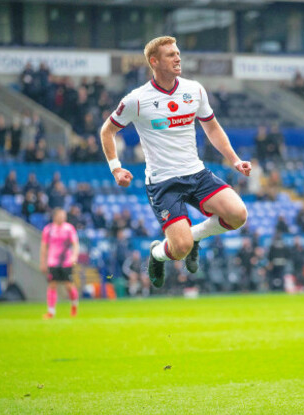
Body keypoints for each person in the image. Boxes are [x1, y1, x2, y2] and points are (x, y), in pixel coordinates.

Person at [100, 36, 251, 289]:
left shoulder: (194, 90)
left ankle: (194, 238)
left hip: (196, 173)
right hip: (163, 182)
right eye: (171, 54)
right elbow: (107, 131)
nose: (177, 58)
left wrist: (235, 160)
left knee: (238, 215)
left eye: (178, 53)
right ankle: (157, 254)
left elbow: (212, 129)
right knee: (179, 249)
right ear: (154, 61)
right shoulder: (136, 100)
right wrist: (116, 168)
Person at [40, 208, 80, 319]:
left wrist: (74, 256)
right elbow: (44, 246)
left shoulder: (69, 228)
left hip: (66, 261)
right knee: (52, 285)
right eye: (61, 215)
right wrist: (43, 261)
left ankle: (74, 306)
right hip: (53, 262)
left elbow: (75, 244)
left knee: (68, 285)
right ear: (55, 216)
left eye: (64, 216)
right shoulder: (48, 229)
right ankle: (51, 312)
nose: (63, 217)